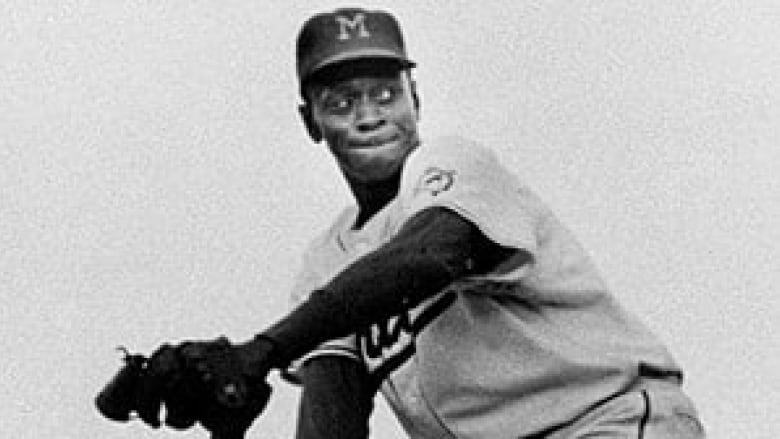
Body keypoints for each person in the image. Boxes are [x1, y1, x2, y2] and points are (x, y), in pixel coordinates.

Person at [96, 7, 706, 438]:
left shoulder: (453, 164)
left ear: (416, 98)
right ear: (310, 121)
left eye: (384, 94)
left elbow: (429, 255)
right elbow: (332, 417)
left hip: (607, 420)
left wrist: (261, 351)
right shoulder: (326, 262)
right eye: (342, 102)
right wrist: (230, 410)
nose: (368, 116)